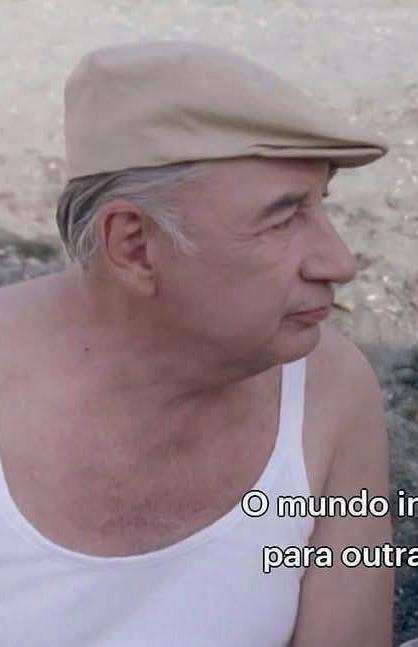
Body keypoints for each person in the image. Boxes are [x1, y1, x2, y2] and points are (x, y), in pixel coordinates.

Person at [0, 41, 392, 645]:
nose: (339, 261)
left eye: (321, 206)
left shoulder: (328, 389)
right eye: (283, 218)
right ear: (134, 246)